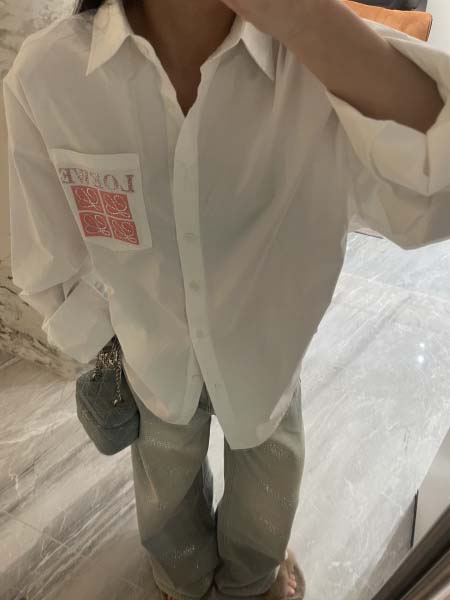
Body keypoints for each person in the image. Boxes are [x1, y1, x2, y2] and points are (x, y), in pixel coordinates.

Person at [4, 0, 450, 599]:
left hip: (268, 362)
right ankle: (182, 580)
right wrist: (100, 347)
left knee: (267, 493)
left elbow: (433, 193)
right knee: (166, 497)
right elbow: (47, 252)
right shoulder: (50, 74)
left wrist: (307, 22)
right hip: (152, 362)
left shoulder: (322, 65)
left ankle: (252, 581)